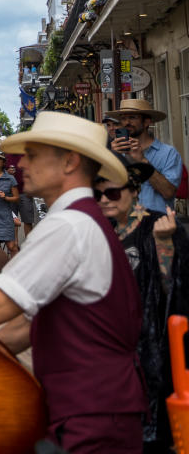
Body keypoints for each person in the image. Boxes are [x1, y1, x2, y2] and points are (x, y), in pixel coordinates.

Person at [0, 111, 144, 452]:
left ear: (70, 162)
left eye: (33, 155)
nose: (22, 164)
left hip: (91, 410)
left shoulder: (68, 225)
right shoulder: (78, 219)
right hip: (93, 406)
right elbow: (27, 325)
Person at [96, 150, 187, 451]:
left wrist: (164, 245)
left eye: (112, 192)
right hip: (108, 348)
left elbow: (174, 292)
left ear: (134, 190)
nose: (105, 200)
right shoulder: (96, 232)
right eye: (98, 195)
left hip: (151, 350)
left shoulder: (160, 225)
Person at [112, 98, 183, 215]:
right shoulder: (118, 152)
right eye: (123, 118)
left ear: (146, 122)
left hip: (159, 226)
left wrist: (142, 161)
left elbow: (168, 192)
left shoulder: (168, 153)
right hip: (128, 225)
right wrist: (112, 157)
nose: (126, 122)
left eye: (132, 117)